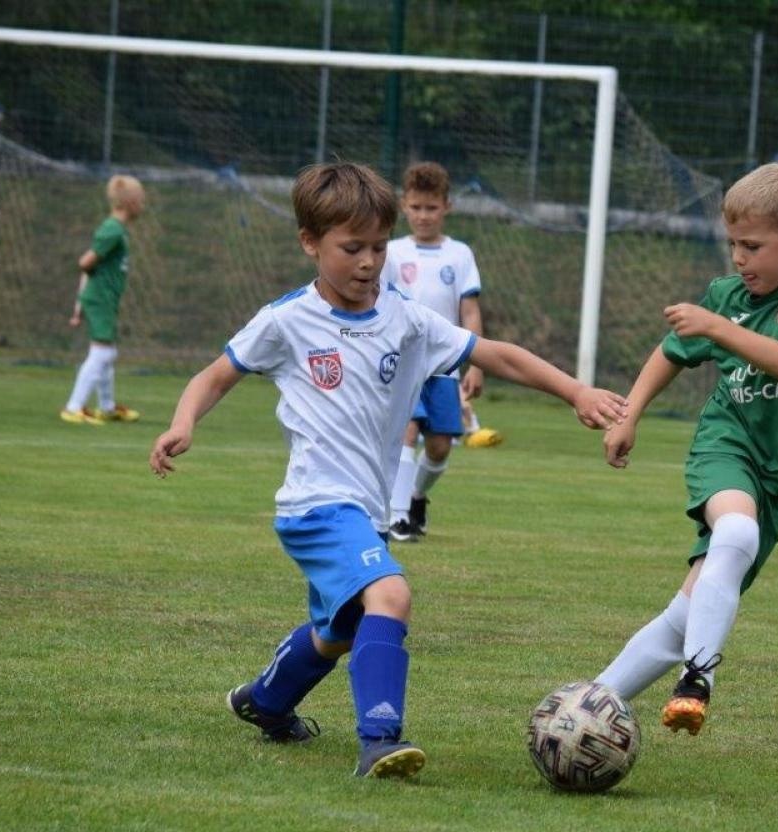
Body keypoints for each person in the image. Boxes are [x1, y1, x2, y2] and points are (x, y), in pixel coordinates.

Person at [147, 162, 626, 779]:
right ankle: (379, 738)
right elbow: (215, 375)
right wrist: (183, 423)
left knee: (340, 629)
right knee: (392, 595)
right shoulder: (287, 320)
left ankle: (263, 701)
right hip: (316, 505)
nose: (368, 262)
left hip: (364, 512)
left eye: (377, 247)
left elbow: (495, 354)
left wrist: (576, 392)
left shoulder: (405, 319)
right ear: (309, 242)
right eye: (352, 248)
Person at [593, 162, 778, 736]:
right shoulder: (727, 296)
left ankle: (591, 702)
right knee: (737, 532)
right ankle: (698, 677)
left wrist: (716, 327)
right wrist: (629, 415)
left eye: (752, 246)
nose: (738, 259)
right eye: (732, 244)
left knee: (689, 611)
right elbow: (670, 352)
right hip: (726, 443)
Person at [380, 162, 499, 542]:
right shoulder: (392, 252)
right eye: (415, 207)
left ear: (446, 206)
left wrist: (475, 365)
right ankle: (397, 518)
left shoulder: (460, 255)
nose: (423, 216)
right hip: (401, 363)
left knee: (439, 446)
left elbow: (469, 310)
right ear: (403, 206)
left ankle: (416, 498)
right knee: (406, 431)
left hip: (443, 365)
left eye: (431, 208)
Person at [61, 174, 146, 425]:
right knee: (101, 354)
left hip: (104, 299)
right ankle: (73, 406)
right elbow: (86, 263)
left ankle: (107, 408)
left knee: (107, 354)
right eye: (140, 200)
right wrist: (82, 302)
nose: (143, 205)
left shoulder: (118, 230)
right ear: (129, 202)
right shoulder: (112, 230)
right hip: (99, 300)